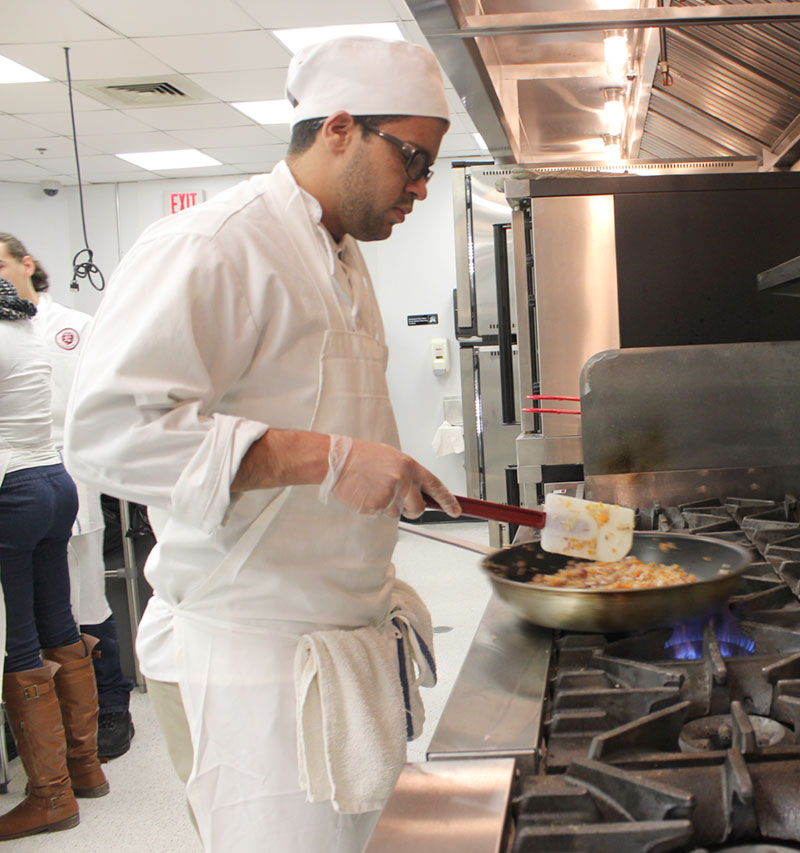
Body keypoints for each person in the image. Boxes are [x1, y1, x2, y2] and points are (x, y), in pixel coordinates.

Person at [63, 36, 462, 852]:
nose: (421, 186)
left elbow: (321, 405)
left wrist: (381, 469)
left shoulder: (343, 256)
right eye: (413, 158)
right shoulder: (216, 244)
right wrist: (329, 459)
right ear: (341, 128)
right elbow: (107, 434)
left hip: (336, 637)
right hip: (248, 665)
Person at [0, 233, 135, 760]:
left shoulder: (73, 328)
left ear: (27, 264)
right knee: (42, 611)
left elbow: (104, 405)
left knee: (86, 600)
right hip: (35, 480)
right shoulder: (15, 327)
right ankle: (57, 738)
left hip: (66, 475)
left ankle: (111, 709)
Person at [0, 275, 109, 840]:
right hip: (51, 480)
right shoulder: (21, 324)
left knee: (17, 641)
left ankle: (49, 796)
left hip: (10, 490)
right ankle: (83, 767)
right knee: (59, 624)